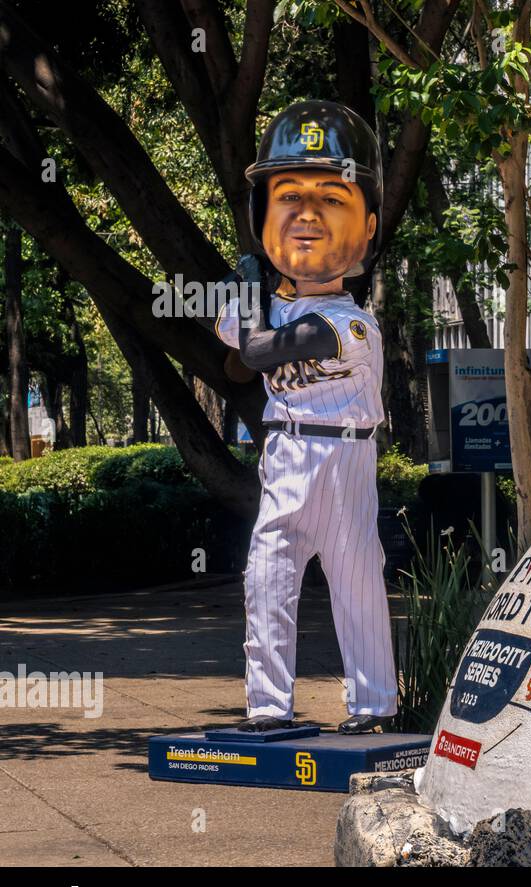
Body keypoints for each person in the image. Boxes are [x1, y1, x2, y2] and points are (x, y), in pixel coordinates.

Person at [204, 101, 397, 734]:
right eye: (287, 197)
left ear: (367, 227)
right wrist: (250, 285)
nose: (306, 218)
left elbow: (257, 350)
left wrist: (251, 288)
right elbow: (228, 330)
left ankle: (373, 708)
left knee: (356, 583)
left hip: (342, 455)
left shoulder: (350, 323)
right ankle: (267, 709)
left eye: (331, 199)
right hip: (286, 452)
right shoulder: (279, 308)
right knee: (265, 579)